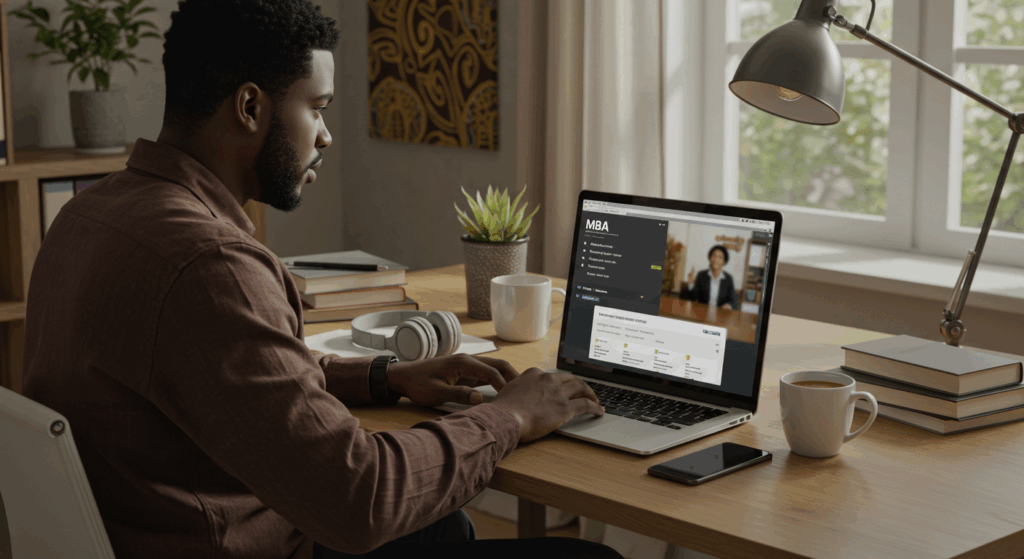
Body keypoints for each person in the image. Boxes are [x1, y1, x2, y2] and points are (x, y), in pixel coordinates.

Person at [20, 2, 622, 558]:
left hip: (150, 527)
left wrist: (385, 377)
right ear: (250, 108)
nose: (327, 135)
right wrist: (510, 417)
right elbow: (361, 498)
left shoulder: (87, 215)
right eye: (318, 108)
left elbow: (230, 378)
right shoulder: (211, 265)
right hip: (240, 541)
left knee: (442, 527)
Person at [684, 245, 739, 310]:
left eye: (720, 257)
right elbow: (693, 297)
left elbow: (733, 301)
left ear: (724, 261)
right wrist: (691, 284)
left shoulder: (728, 278)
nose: (716, 259)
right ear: (710, 258)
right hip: (702, 312)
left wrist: (728, 305)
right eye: (714, 256)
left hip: (720, 314)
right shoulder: (701, 275)